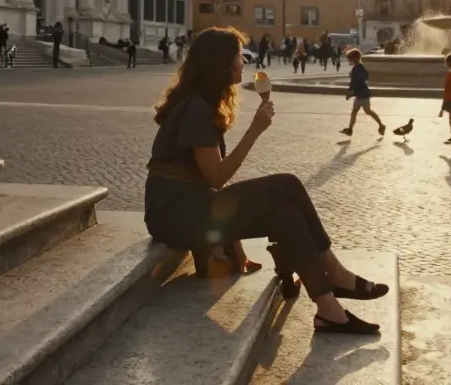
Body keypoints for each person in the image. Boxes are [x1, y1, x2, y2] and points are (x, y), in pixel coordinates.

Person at [144, 27, 389, 335]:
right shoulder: (195, 109)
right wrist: (255, 130)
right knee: (287, 184)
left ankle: (329, 309)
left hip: (188, 207)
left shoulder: (198, 103)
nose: (243, 62)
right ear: (221, 64)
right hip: (176, 214)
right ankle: (336, 273)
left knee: (286, 216)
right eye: (237, 56)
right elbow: (217, 177)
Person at [340, 48, 386, 137]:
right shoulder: (359, 67)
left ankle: (381, 125)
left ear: (355, 58)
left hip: (362, 94)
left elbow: (355, 82)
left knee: (367, 111)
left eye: (350, 58)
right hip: (362, 93)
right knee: (357, 112)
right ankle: (350, 129)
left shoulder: (358, 68)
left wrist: (350, 92)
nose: (349, 60)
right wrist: (352, 91)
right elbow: (363, 79)